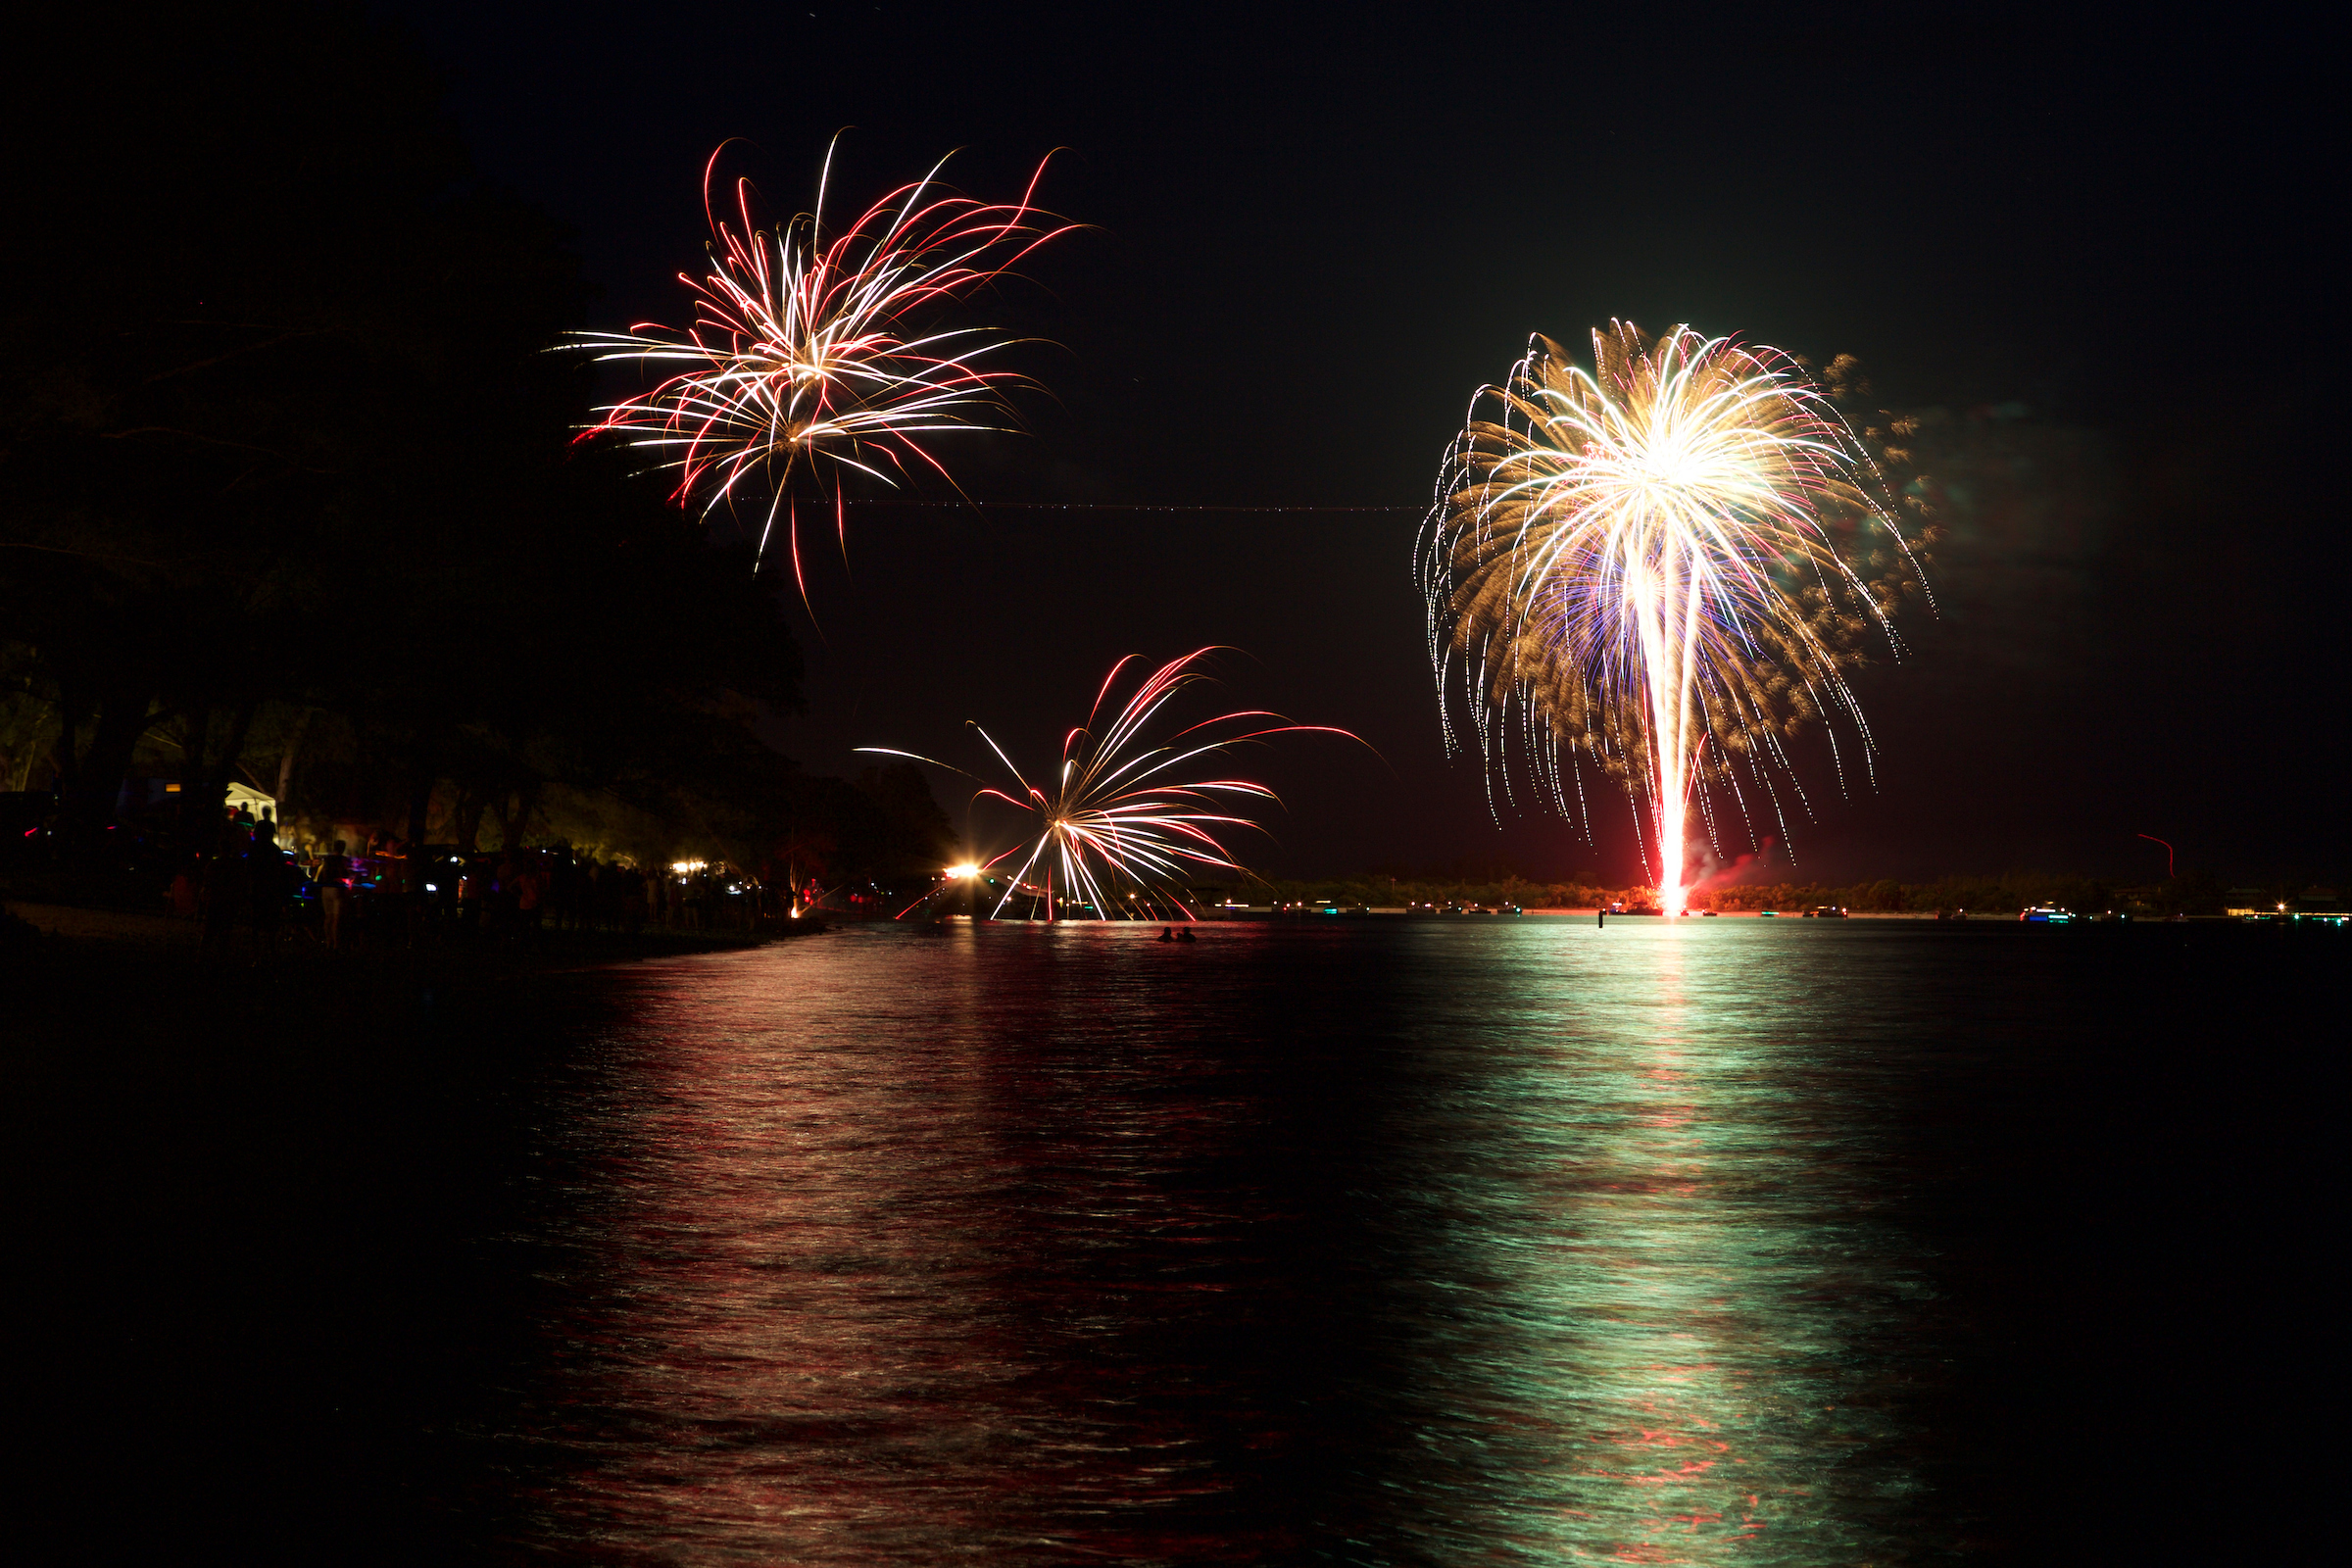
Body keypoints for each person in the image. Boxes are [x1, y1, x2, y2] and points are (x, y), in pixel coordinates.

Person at [317, 838, 353, 952]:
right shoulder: (343, 860)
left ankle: (328, 942)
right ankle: (336, 943)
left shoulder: (327, 859)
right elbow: (346, 874)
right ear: (342, 848)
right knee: (337, 918)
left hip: (325, 889)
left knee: (328, 917)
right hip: (337, 890)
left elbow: (321, 875)